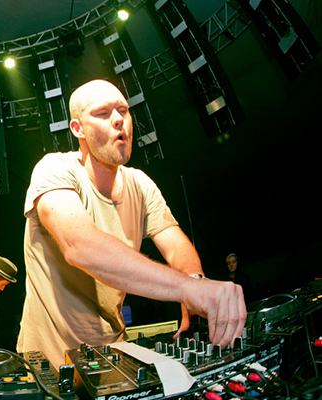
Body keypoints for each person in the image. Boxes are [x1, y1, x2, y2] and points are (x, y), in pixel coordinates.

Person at [16, 79, 247, 367]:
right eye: (102, 113)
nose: (118, 120)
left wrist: (196, 282)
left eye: (123, 111)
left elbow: (175, 246)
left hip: (113, 354)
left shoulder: (140, 183)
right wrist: (187, 289)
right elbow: (80, 246)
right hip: (50, 361)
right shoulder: (54, 169)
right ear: (78, 129)